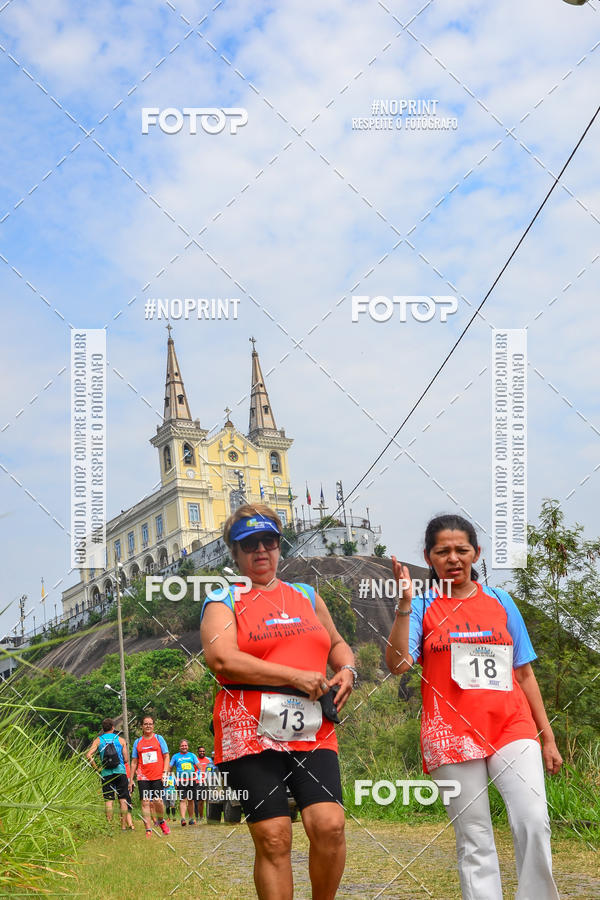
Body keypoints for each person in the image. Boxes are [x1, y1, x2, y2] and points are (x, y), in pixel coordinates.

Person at [386, 513, 562, 900]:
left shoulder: (501, 602)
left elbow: (525, 674)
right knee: (475, 835)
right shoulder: (422, 606)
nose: (453, 558)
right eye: (442, 551)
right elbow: (398, 664)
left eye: (461, 550)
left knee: (533, 820)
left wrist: (547, 738)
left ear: (476, 553)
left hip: (511, 726)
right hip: (450, 734)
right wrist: (403, 605)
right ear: (429, 557)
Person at [201, 504, 357, 900]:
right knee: (273, 837)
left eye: (268, 541)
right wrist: (293, 676)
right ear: (233, 553)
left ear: (279, 546)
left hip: (312, 726)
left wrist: (348, 669)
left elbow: (337, 643)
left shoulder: (306, 596)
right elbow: (222, 658)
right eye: (248, 544)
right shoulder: (223, 600)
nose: (260, 551)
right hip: (248, 728)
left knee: (329, 825)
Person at [86, 717, 134, 830]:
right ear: (113, 727)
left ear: (103, 728)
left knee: (109, 800)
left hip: (106, 773)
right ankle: (123, 827)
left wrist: (96, 768)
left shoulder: (98, 740)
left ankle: (109, 826)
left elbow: (88, 755)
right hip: (120, 772)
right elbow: (126, 759)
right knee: (123, 799)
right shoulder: (121, 740)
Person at [130, 714, 171, 837]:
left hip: (158, 775)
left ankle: (161, 821)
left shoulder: (159, 739)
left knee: (158, 801)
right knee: (145, 803)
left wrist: (165, 772)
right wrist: (130, 779)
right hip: (143, 777)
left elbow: (166, 756)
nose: (148, 726)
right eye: (145, 724)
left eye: (150, 724)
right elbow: (134, 762)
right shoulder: (138, 742)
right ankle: (148, 829)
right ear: (142, 726)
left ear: (153, 726)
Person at [170, 739, 200, 826]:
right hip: (180, 781)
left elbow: (198, 766)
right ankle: (183, 819)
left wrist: (200, 775)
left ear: (188, 746)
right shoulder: (175, 756)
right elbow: (170, 767)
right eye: (182, 746)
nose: (184, 747)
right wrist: (169, 777)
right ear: (180, 747)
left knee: (191, 800)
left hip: (191, 781)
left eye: (185, 745)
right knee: (182, 800)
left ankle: (191, 819)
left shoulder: (192, 755)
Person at [194, 745, 214, 821]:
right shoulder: (195, 761)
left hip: (208, 782)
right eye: (200, 751)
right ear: (198, 752)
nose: (202, 752)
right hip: (199, 782)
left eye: (203, 751)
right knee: (200, 801)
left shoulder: (209, 760)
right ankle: (201, 817)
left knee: (209, 800)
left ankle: (209, 816)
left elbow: (212, 769)